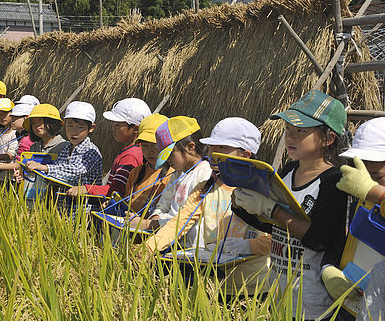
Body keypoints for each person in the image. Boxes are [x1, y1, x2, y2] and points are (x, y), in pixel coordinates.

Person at [232, 90, 348, 320]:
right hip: (280, 296)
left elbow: (319, 239)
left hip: (312, 303)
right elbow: (275, 227)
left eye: (301, 131)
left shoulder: (333, 182)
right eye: (287, 129)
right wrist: (244, 206)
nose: (290, 137)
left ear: (328, 139)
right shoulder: (287, 173)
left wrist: (270, 209)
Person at [145, 117, 271, 300]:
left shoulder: (264, 191)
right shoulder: (205, 187)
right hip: (216, 285)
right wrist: (148, 249)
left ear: (245, 155)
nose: (213, 153)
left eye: (222, 148)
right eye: (212, 147)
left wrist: (248, 246)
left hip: (256, 286)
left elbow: (280, 238)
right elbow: (179, 222)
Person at [328, 117, 385, 321]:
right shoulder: (361, 200)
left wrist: (375, 192)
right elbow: (344, 242)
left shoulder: (369, 192)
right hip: (352, 306)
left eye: (376, 177)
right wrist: (330, 269)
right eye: (361, 173)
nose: (365, 182)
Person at [130, 116, 211, 236]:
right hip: (170, 240)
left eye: (170, 154)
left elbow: (187, 219)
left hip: (190, 247)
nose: (167, 160)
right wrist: (156, 216)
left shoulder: (205, 175)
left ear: (190, 147)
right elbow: (163, 206)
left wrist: (148, 224)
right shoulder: (177, 174)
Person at [67, 98, 151, 198]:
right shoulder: (132, 151)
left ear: (135, 129)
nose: (113, 127)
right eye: (114, 124)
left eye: (118, 125)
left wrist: (86, 188)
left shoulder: (131, 155)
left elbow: (117, 189)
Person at [102, 113, 174, 216]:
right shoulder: (135, 173)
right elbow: (127, 204)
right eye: (145, 146)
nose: (150, 151)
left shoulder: (172, 175)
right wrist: (113, 206)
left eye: (155, 145)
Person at [26, 101, 102, 186]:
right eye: (70, 125)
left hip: (85, 198)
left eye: (80, 127)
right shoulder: (66, 149)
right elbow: (57, 173)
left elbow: (76, 170)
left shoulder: (90, 150)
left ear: (91, 128)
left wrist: (45, 167)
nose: (74, 131)